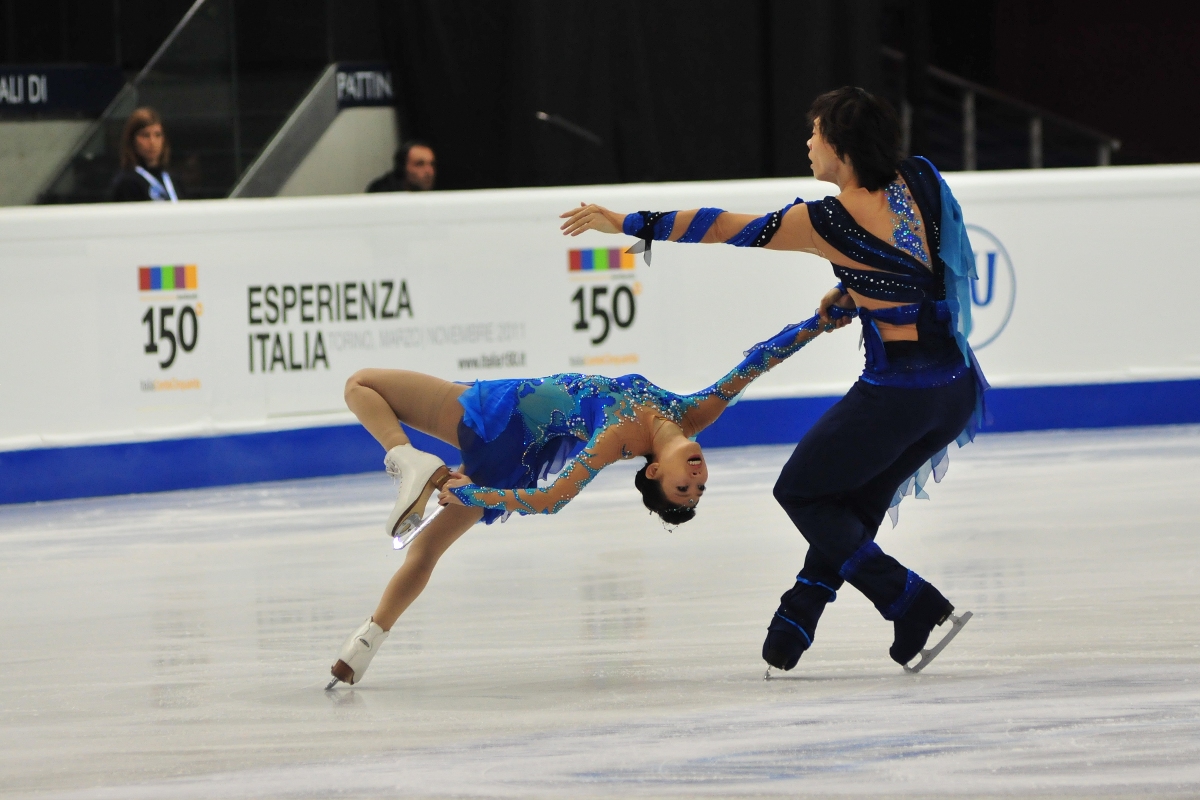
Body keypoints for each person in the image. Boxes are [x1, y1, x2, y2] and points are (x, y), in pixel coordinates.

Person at [559, 86, 988, 673]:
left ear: (838, 145)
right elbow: (929, 273)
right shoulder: (921, 178)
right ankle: (796, 621)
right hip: (956, 390)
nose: (807, 143)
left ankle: (911, 601)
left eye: (814, 132)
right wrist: (858, 293)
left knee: (801, 491)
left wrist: (628, 222)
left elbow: (719, 227)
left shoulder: (824, 220)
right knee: (853, 507)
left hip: (902, 396)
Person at [326, 309, 851, 687]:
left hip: (505, 413)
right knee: (427, 549)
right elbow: (757, 363)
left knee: (361, 384)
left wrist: (476, 490)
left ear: (651, 472)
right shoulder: (691, 413)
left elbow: (554, 497)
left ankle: (406, 459)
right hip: (513, 442)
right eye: (699, 486)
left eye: (681, 489)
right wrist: (819, 323)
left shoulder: (621, 436)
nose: (695, 477)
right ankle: (364, 645)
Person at [108, 107, 179, 203]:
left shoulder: (173, 179)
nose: (152, 142)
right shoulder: (126, 183)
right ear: (132, 140)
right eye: (145, 135)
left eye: (158, 135)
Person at [366, 140, 436, 193]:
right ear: (402, 168)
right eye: (420, 164)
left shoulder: (438, 195)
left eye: (431, 164)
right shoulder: (382, 193)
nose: (429, 172)